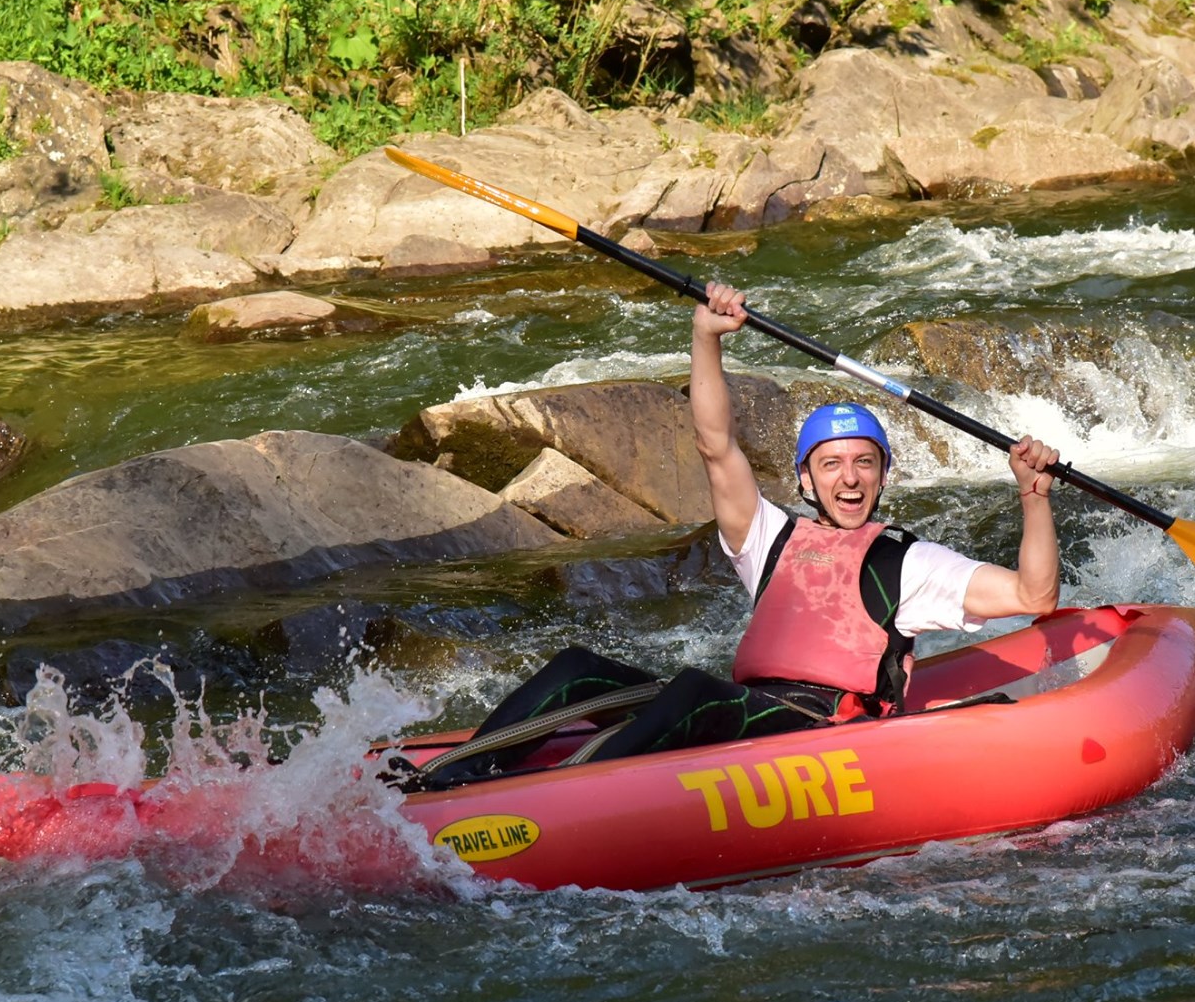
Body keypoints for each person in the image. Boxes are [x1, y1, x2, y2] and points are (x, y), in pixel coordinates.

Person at [431, 281, 1065, 785]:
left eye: (864, 463)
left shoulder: (909, 560)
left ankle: (564, 802)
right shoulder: (769, 537)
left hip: (820, 733)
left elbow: (1034, 597)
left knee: (694, 689)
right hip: (746, 709)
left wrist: (1032, 499)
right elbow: (714, 444)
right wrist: (706, 336)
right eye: (831, 465)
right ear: (807, 481)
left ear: (882, 476)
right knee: (578, 668)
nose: (849, 480)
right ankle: (455, 776)